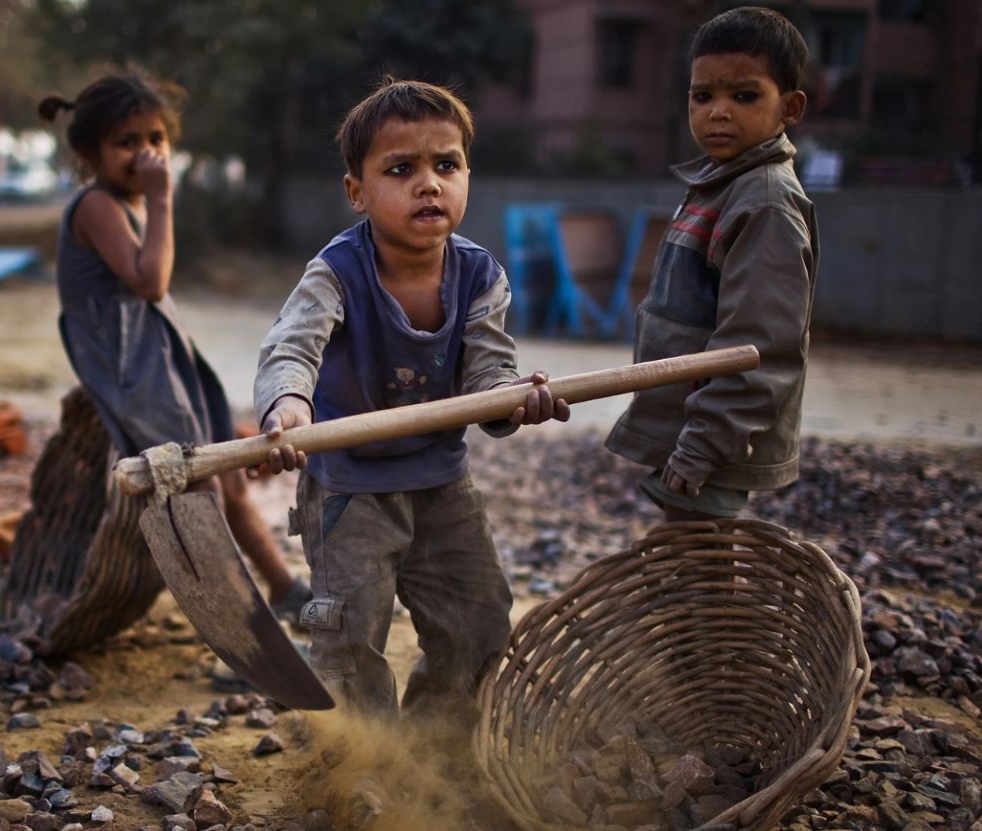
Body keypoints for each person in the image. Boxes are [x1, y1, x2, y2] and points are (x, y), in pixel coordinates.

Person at [253, 78, 569, 721]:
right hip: (349, 487)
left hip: (441, 484)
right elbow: (291, 348)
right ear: (357, 193)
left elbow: (489, 371)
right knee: (348, 635)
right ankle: (356, 769)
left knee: (477, 619)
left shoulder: (481, 274)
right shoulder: (337, 271)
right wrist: (289, 404)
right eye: (402, 169)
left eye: (446, 165)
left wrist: (511, 399)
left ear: (467, 175)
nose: (429, 184)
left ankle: (437, 754)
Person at [39, 71, 312, 622]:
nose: (145, 154)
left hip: (161, 360)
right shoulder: (96, 205)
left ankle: (282, 587)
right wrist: (164, 200)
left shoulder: (128, 201)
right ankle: (236, 613)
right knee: (195, 488)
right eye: (127, 142)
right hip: (133, 370)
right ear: (91, 154)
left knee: (226, 476)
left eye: (156, 140)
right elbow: (150, 281)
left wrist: (156, 202)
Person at [606, 6, 818, 522]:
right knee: (687, 565)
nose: (718, 111)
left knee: (702, 570)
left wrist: (704, 443)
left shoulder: (764, 202)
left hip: (718, 441)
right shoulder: (720, 185)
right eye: (703, 96)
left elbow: (759, 347)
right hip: (692, 429)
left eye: (743, 96)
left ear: (789, 106)